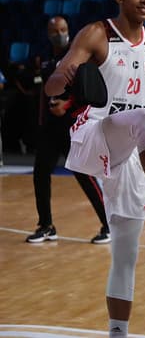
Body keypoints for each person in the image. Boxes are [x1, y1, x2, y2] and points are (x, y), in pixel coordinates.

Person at [44, 0, 145, 338]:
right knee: (139, 120)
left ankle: (117, 331)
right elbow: (54, 85)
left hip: (133, 150)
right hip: (93, 133)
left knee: (125, 254)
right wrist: (63, 79)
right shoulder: (97, 33)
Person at [26, 16, 109, 244]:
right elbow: (43, 91)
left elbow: (90, 91)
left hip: (73, 125)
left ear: (69, 30)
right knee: (40, 174)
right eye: (54, 30)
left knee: (84, 175)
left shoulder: (79, 55)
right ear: (48, 32)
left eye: (62, 29)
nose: (59, 34)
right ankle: (46, 226)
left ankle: (108, 224)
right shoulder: (42, 58)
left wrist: (67, 105)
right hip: (49, 127)